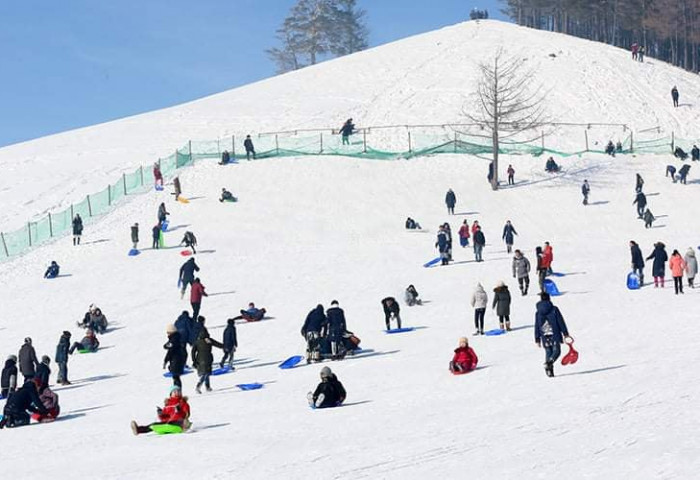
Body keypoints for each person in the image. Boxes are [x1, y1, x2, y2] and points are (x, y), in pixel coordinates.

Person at [534, 293, 570, 377]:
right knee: (557, 351)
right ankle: (549, 362)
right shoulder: (554, 309)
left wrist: (537, 338)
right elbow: (560, 321)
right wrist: (565, 333)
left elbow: (536, 325)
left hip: (544, 335)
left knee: (548, 351)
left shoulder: (538, 312)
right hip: (555, 334)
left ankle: (549, 371)